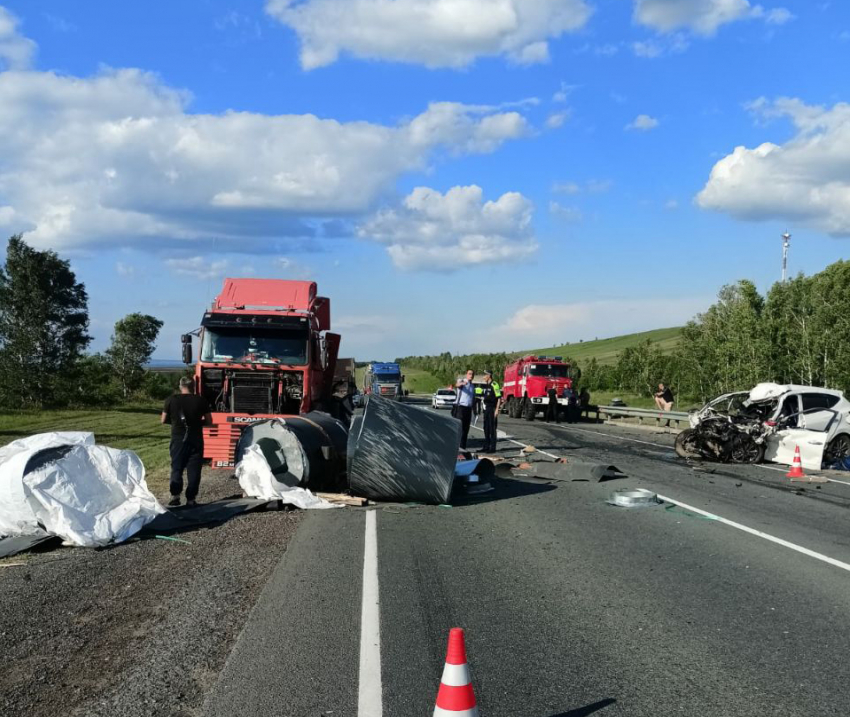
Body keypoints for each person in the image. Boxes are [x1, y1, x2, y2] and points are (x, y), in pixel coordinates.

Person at [161, 377, 212, 507]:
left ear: (180, 386)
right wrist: (197, 423)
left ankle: (175, 496)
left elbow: (163, 420)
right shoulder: (201, 400)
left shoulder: (171, 400)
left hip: (178, 439)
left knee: (177, 467)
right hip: (196, 439)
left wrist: (175, 422)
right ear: (194, 386)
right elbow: (208, 421)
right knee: (194, 470)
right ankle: (191, 499)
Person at [475, 370, 502, 453]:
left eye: (485, 375)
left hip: (492, 408)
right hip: (486, 409)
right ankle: (486, 446)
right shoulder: (486, 386)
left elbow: (499, 397)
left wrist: (497, 409)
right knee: (486, 428)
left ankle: (492, 447)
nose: (484, 376)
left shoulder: (494, 384)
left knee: (492, 429)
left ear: (489, 375)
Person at [453, 369, 476, 449]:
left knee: (466, 429)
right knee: (460, 428)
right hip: (461, 408)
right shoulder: (462, 381)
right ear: (466, 374)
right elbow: (457, 385)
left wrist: (474, 410)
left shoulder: (473, 386)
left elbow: (473, 398)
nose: (471, 375)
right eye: (469, 374)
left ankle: (463, 447)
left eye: (472, 374)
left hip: (468, 409)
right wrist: (463, 383)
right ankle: (456, 446)